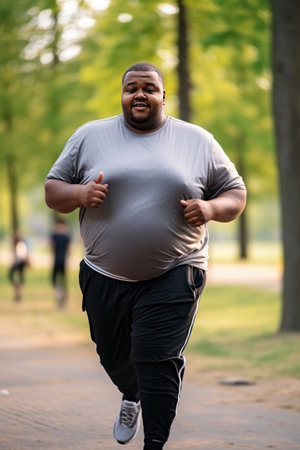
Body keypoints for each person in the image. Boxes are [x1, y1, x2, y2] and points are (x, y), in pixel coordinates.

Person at [45, 62, 246, 450]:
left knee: (155, 356)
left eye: (149, 88)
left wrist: (209, 209)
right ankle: (131, 393)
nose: (140, 94)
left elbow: (235, 194)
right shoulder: (90, 136)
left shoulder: (197, 140)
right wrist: (80, 195)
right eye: (131, 88)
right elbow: (54, 190)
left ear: (163, 96)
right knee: (113, 354)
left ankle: (154, 442)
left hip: (176, 268)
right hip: (104, 272)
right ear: (121, 96)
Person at [50, 217, 71, 308]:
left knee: (56, 280)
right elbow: (69, 250)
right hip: (62, 261)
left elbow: (51, 247)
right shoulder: (66, 236)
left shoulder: (54, 236)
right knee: (61, 280)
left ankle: (60, 295)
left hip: (58, 261)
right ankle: (62, 295)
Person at [8, 231, 30, 302]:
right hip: (19, 264)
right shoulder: (18, 244)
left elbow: (22, 255)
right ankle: (18, 291)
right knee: (18, 278)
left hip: (19, 264)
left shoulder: (20, 244)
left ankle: (18, 292)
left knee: (17, 278)